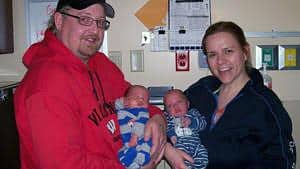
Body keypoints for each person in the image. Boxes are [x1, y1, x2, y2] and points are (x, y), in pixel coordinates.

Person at [14, 1, 166, 169]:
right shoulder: (45, 83)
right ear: (59, 21)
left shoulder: (102, 64)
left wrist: (158, 119)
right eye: (85, 19)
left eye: (100, 22)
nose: (95, 30)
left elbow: (135, 100)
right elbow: (64, 165)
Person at [164, 21, 296, 169]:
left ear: (245, 52)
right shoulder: (201, 90)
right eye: (212, 54)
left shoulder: (265, 104)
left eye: (228, 51)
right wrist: (168, 150)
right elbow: (165, 119)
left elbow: (283, 160)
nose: (220, 61)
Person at [163, 89, 208, 169]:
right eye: (170, 106)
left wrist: (191, 122)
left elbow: (203, 123)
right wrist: (172, 135)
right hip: (180, 145)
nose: (175, 106)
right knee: (183, 162)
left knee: (203, 156)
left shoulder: (193, 113)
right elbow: (166, 128)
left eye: (179, 102)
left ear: (187, 103)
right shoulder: (169, 118)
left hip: (196, 145)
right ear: (167, 111)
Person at [116, 85, 152, 169]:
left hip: (140, 138)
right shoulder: (122, 110)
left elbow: (141, 123)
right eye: (136, 97)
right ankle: (132, 164)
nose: (141, 100)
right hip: (126, 141)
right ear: (127, 100)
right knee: (123, 153)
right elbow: (116, 104)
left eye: (145, 99)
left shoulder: (142, 112)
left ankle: (141, 158)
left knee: (145, 147)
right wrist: (122, 101)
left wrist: (135, 136)